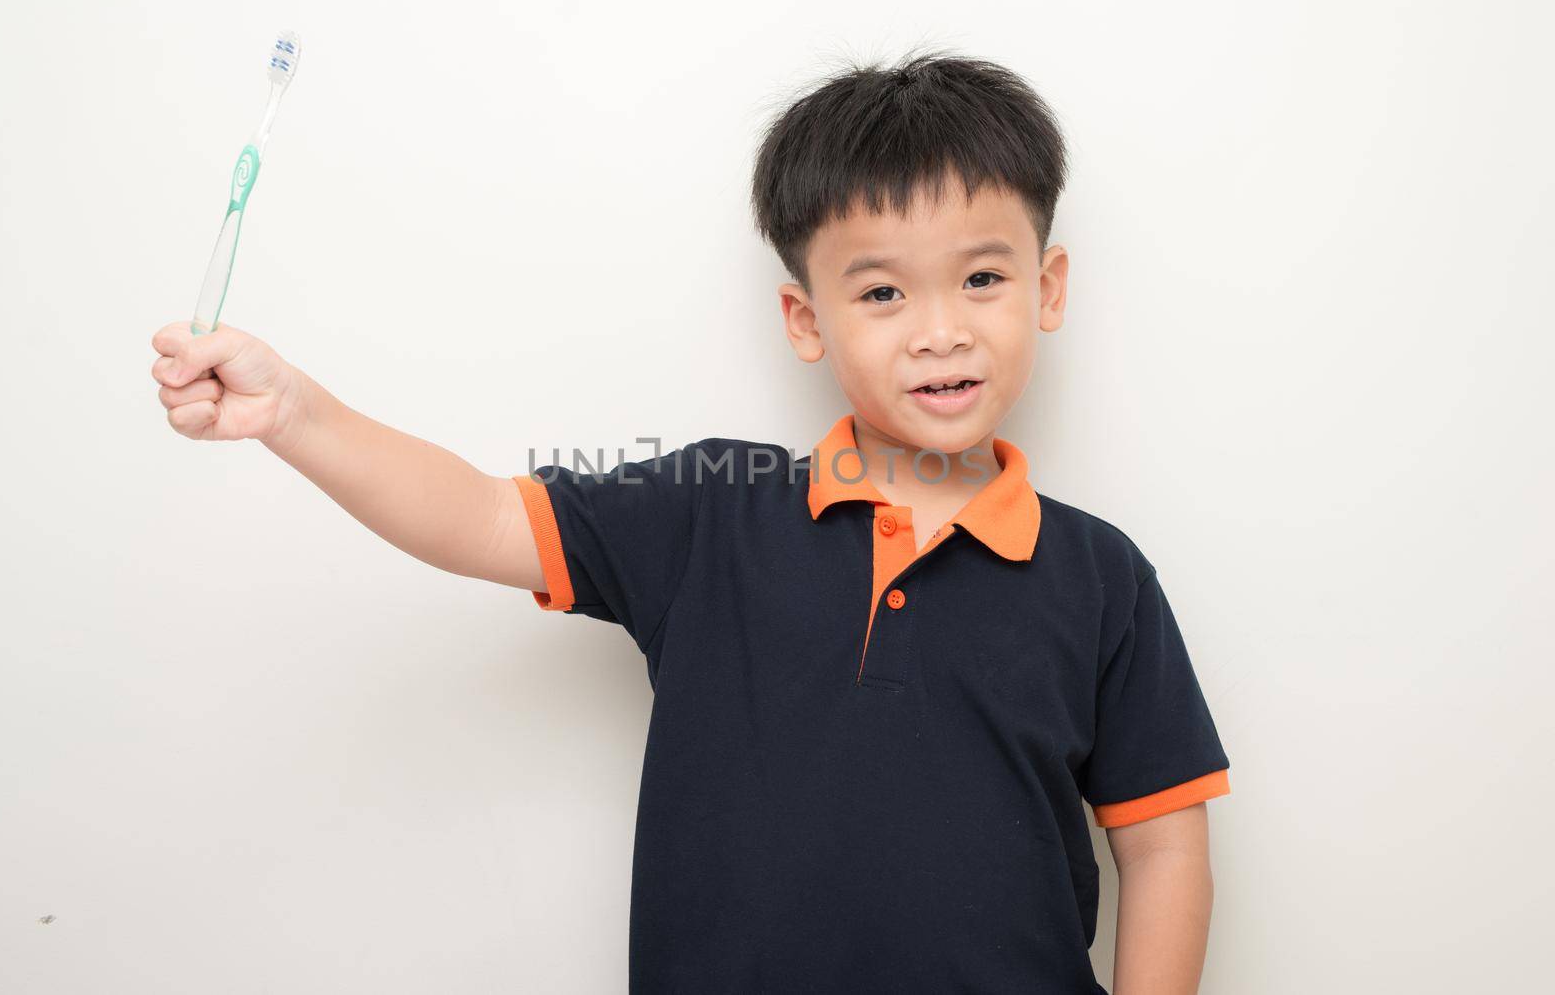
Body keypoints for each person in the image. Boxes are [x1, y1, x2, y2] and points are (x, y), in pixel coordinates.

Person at [151, 49, 1231, 994]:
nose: (939, 332)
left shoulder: (1102, 577)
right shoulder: (707, 511)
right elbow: (479, 513)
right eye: (883, 294)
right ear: (806, 319)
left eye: (981, 278)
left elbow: (1164, 846)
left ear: (1046, 289)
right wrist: (294, 412)